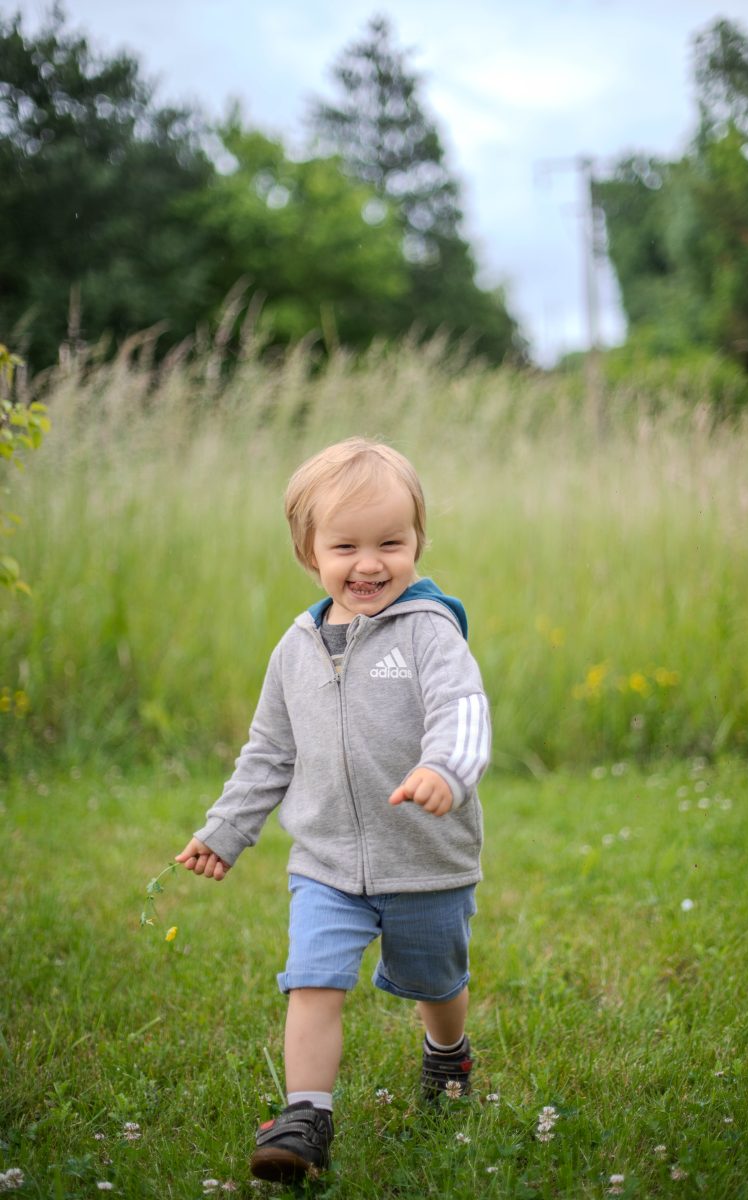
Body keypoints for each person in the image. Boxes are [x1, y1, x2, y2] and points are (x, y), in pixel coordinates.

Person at [176, 437, 491, 1182]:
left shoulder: (430, 632)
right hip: (325, 864)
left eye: (391, 543)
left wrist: (444, 769)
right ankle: (304, 1118)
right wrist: (227, 829)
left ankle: (447, 1053)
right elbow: (268, 752)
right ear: (308, 552)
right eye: (346, 546)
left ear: (418, 543)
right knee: (312, 981)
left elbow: (464, 710)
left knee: (437, 982)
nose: (369, 563)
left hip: (425, 859)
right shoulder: (296, 649)